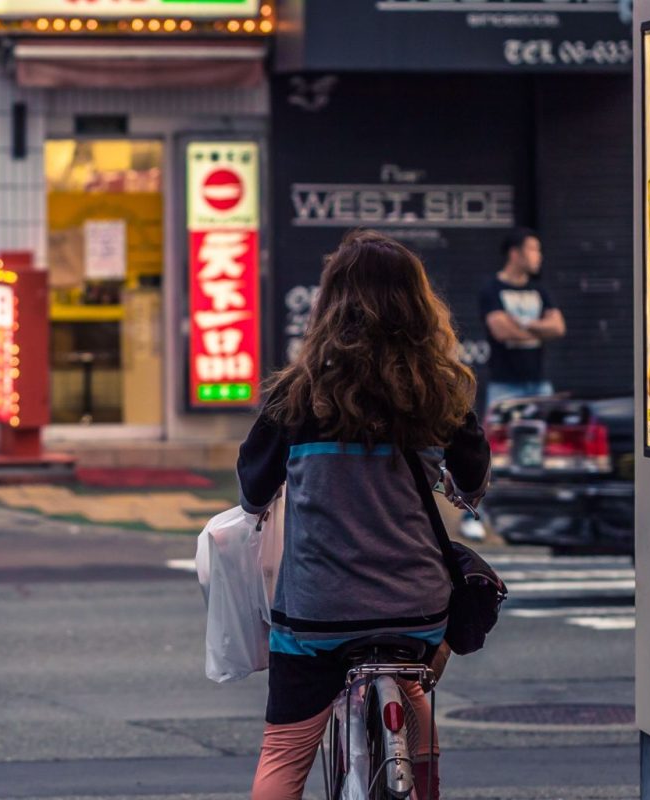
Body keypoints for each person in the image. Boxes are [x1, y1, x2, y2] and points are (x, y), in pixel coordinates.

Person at [236, 230, 490, 800]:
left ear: (330, 306)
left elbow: (253, 492)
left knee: (283, 751)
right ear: (418, 308)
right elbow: (472, 483)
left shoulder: (296, 396)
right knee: (416, 684)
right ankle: (415, 763)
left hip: (317, 615)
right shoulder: (441, 392)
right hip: (417, 612)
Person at [466, 227, 564, 538]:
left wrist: (520, 324)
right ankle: (476, 516)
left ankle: (544, 519)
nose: (539, 257)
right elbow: (501, 332)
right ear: (515, 253)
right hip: (506, 385)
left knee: (549, 450)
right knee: (493, 454)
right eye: (533, 250)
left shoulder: (540, 290)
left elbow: (558, 328)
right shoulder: (492, 288)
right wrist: (539, 328)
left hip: (538, 385)